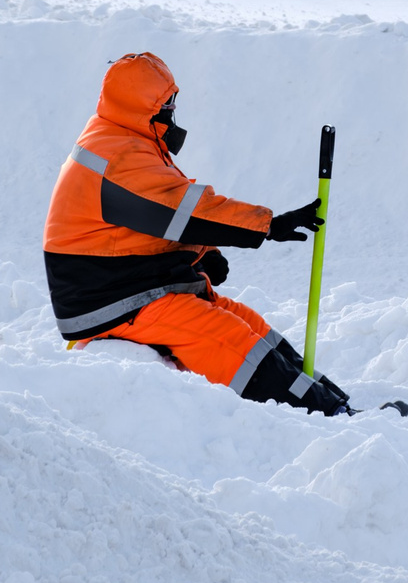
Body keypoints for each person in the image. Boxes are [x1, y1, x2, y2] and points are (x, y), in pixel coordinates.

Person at [43, 51, 356, 414]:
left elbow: (154, 220)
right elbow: (185, 209)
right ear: (142, 104)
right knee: (228, 339)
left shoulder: (126, 139)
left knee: (250, 325)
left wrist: (202, 252)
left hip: (140, 283)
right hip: (108, 300)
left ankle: (335, 406)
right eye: (166, 103)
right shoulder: (115, 155)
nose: (172, 111)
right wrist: (269, 224)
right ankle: (322, 418)